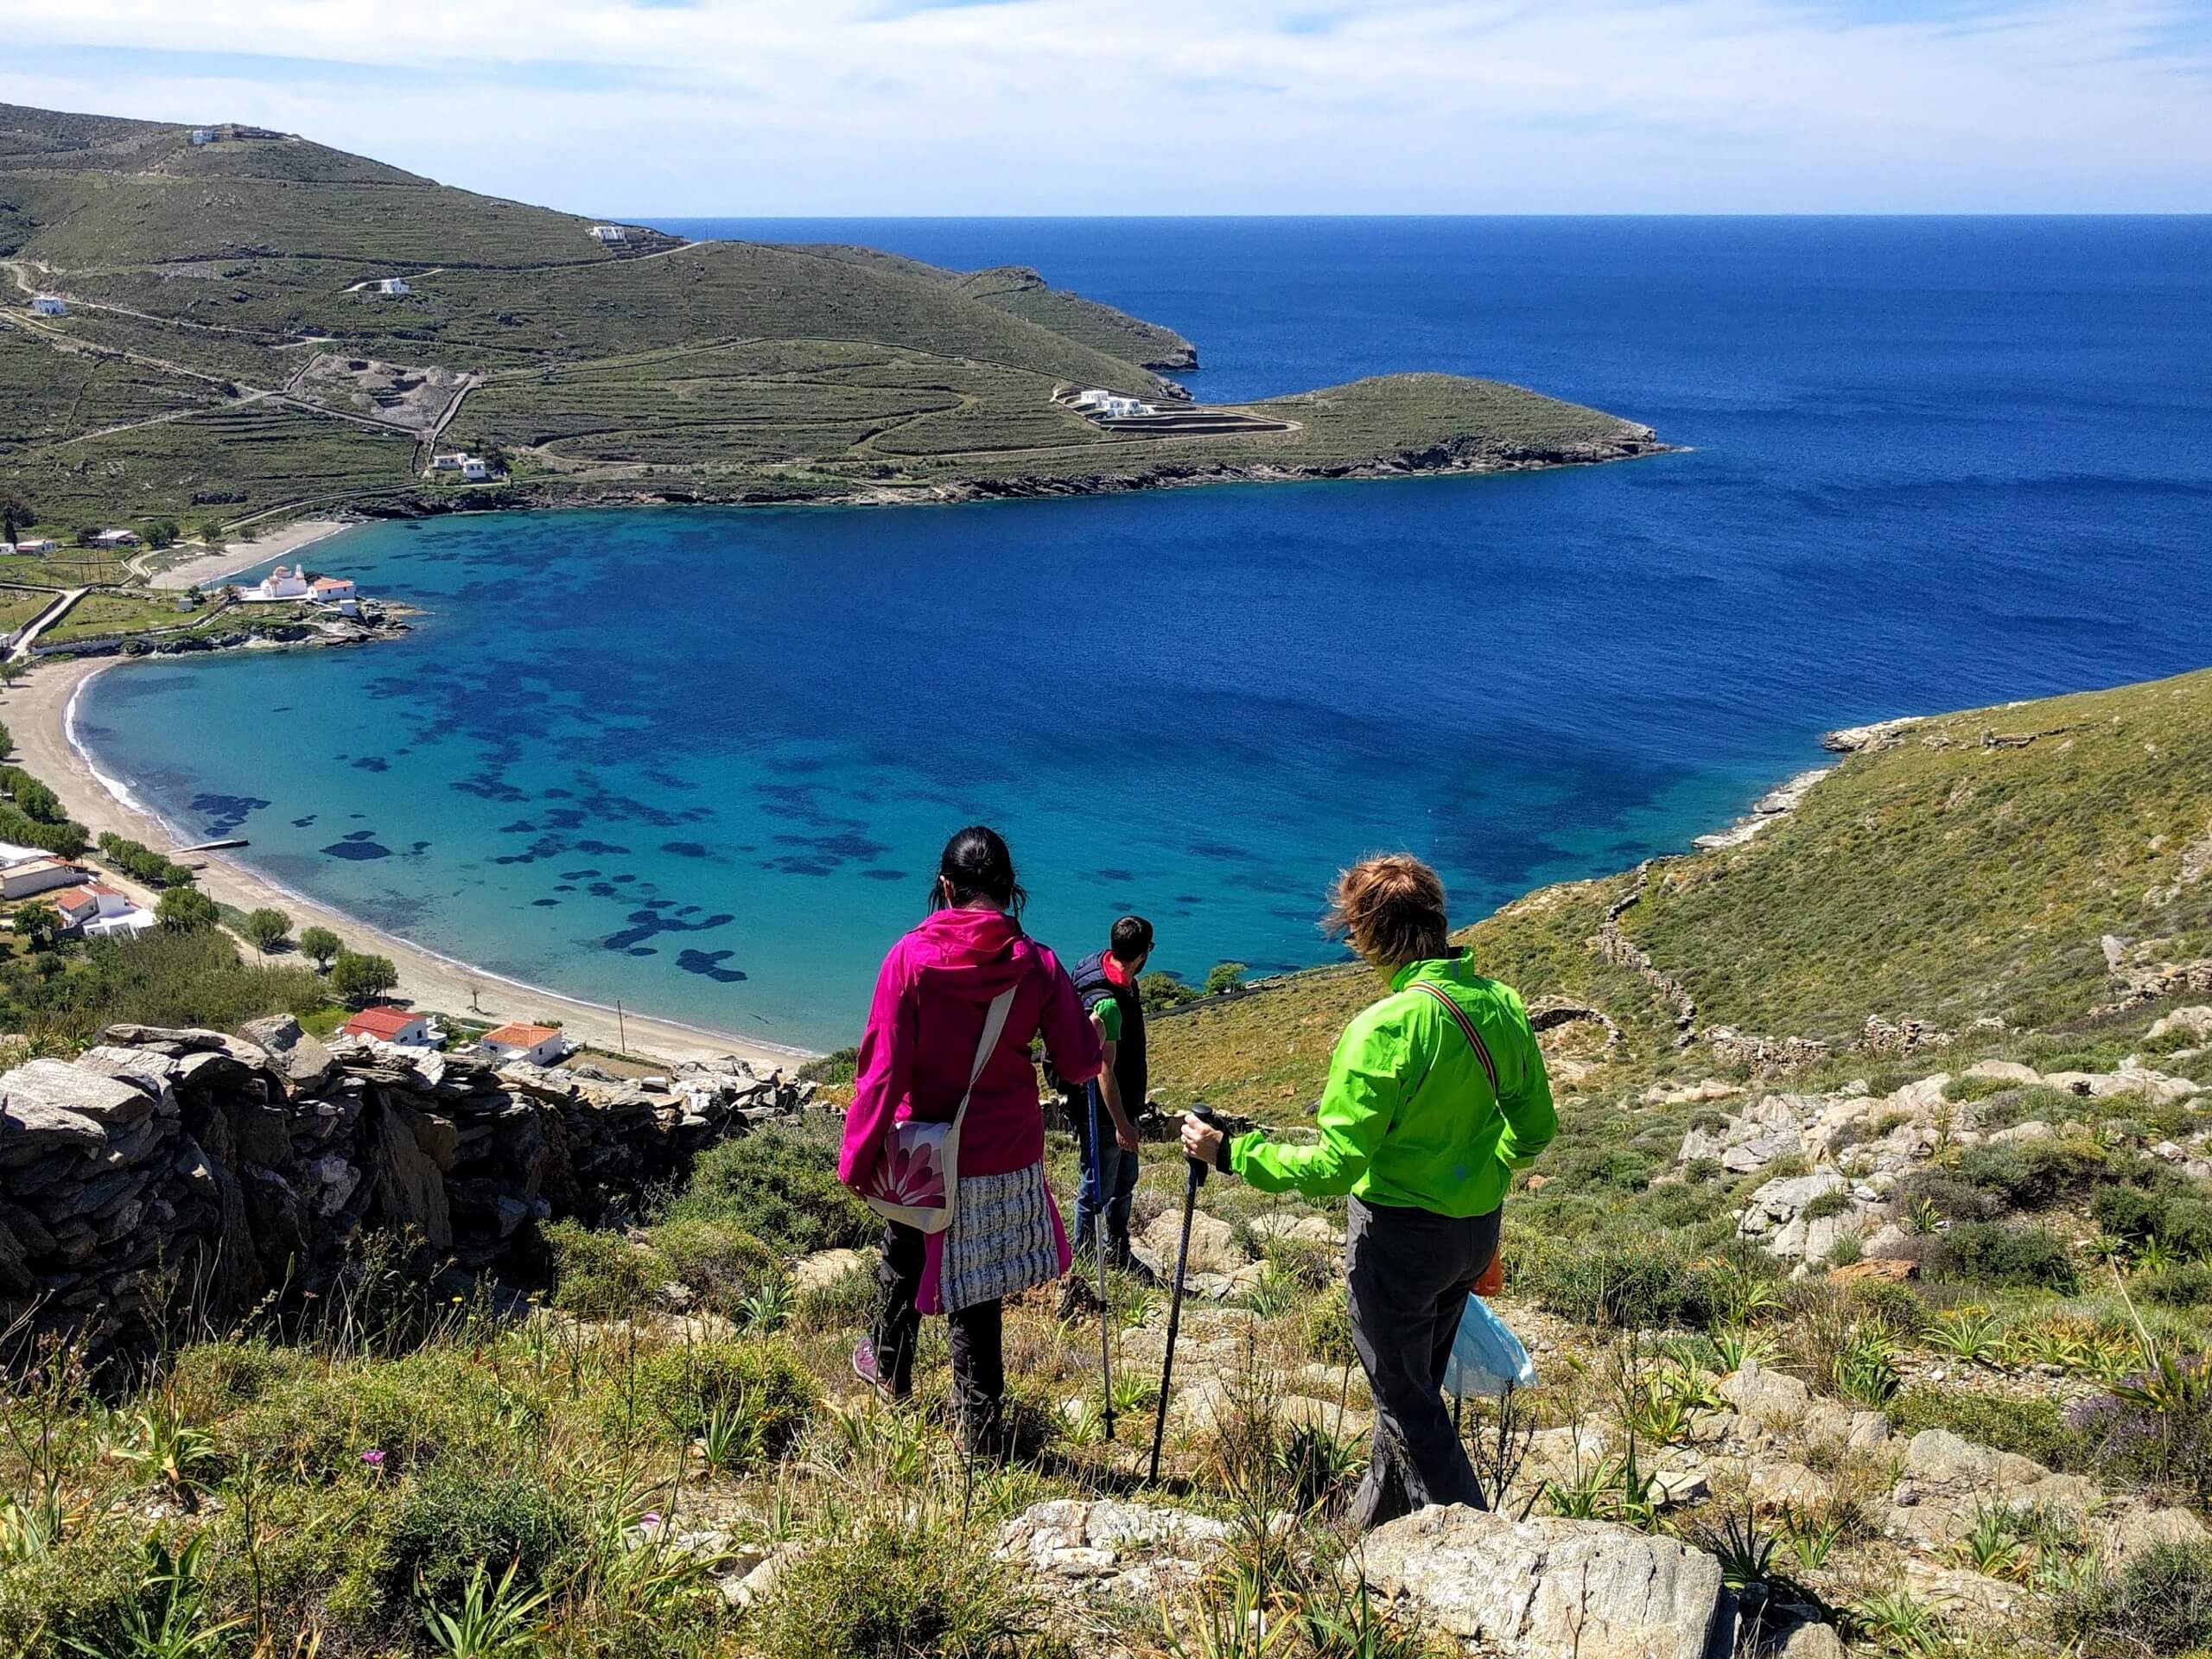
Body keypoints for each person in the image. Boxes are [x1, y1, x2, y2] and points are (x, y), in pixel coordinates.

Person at [1179, 854, 1555, 1529]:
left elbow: (1332, 1166)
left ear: (1371, 935)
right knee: (1411, 1392)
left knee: (1406, 1401)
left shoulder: (1384, 1030)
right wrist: (1485, 1176)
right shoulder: (1499, 1004)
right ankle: (1368, 1525)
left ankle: (1479, 1544)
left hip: (1399, 1243)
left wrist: (1231, 1152)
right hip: (1473, 1233)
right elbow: (1536, 1127)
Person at [839, 825, 1103, 1454]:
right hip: (1001, 1152)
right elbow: (1078, 1062)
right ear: (1011, 890)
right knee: (977, 1294)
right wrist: (1092, 1035)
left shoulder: (907, 959)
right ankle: (980, 1434)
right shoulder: (1038, 965)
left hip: (923, 1147)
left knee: (902, 1252)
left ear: (946, 887)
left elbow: (881, 1070)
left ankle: (891, 1371)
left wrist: (858, 1157)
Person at [1065, 914, 1155, 1281]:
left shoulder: (1094, 968)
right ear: (1142, 954)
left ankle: (1118, 1248)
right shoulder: (1109, 1005)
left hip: (1116, 1108)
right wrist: (1122, 1125)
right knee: (1096, 1188)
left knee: (1123, 1181)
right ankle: (1085, 1260)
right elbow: (1106, 1071)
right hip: (1104, 1113)